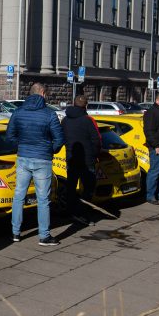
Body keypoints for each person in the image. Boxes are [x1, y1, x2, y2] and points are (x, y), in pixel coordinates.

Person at [7, 82, 65, 246]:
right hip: (42, 159)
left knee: (19, 196)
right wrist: (50, 150)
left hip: (24, 157)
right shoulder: (49, 114)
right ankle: (44, 236)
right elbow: (59, 139)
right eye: (46, 94)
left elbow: (10, 135)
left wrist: (20, 147)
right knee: (43, 199)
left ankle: (15, 233)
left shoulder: (18, 112)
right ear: (42, 93)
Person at [61, 95, 101, 226]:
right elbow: (97, 140)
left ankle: (71, 212)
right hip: (87, 160)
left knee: (71, 187)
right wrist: (95, 154)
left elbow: (61, 137)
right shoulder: (88, 120)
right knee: (88, 188)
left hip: (71, 158)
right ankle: (83, 214)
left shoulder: (65, 120)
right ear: (86, 106)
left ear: (73, 103)